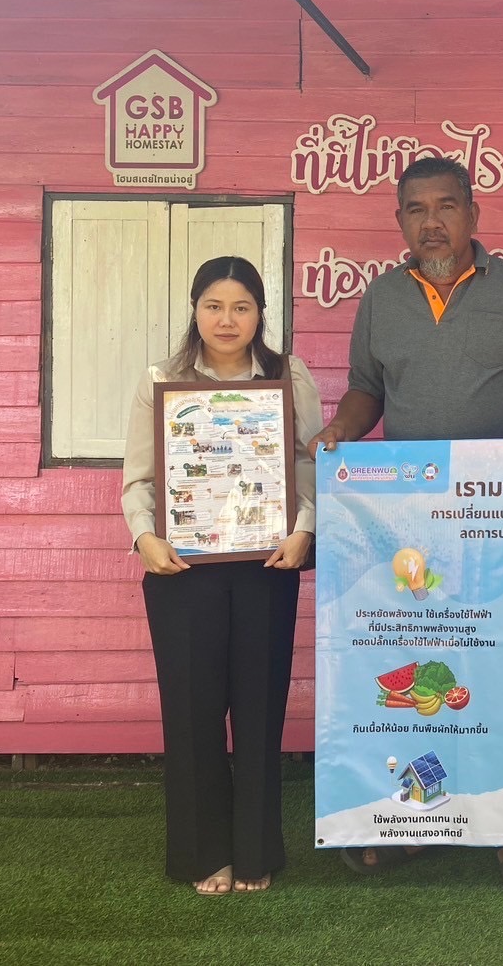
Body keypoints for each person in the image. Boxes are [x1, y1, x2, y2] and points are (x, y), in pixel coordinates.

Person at [307, 155, 503, 895]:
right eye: (416, 209)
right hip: (410, 524)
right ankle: (420, 818)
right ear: (399, 221)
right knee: (426, 668)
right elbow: (366, 390)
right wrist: (340, 430)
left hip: (500, 516)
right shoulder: (381, 298)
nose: (432, 222)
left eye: (446, 206)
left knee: (502, 664)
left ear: (473, 215)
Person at [122, 255, 318, 896]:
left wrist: (304, 528)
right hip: (181, 569)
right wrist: (145, 537)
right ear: (195, 310)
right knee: (191, 711)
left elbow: (309, 465)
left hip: (267, 564)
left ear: (260, 314)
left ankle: (256, 853)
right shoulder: (162, 382)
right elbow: (139, 478)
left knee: (260, 708)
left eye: (241, 307)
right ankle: (204, 854)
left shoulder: (289, 376)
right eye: (214, 306)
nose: (227, 319)